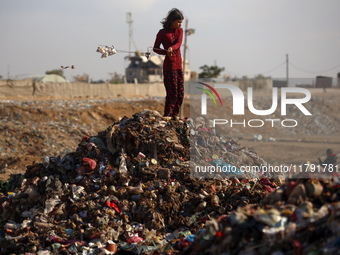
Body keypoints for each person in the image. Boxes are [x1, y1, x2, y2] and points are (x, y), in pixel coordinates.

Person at [153, 8, 184, 118]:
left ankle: (174, 116)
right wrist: (166, 52)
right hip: (169, 67)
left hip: (179, 67)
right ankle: (167, 116)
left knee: (180, 94)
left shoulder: (180, 31)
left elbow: (179, 43)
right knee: (172, 93)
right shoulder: (162, 33)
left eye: (181, 22)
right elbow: (155, 48)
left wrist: (171, 48)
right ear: (172, 20)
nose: (180, 24)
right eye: (178, 22)